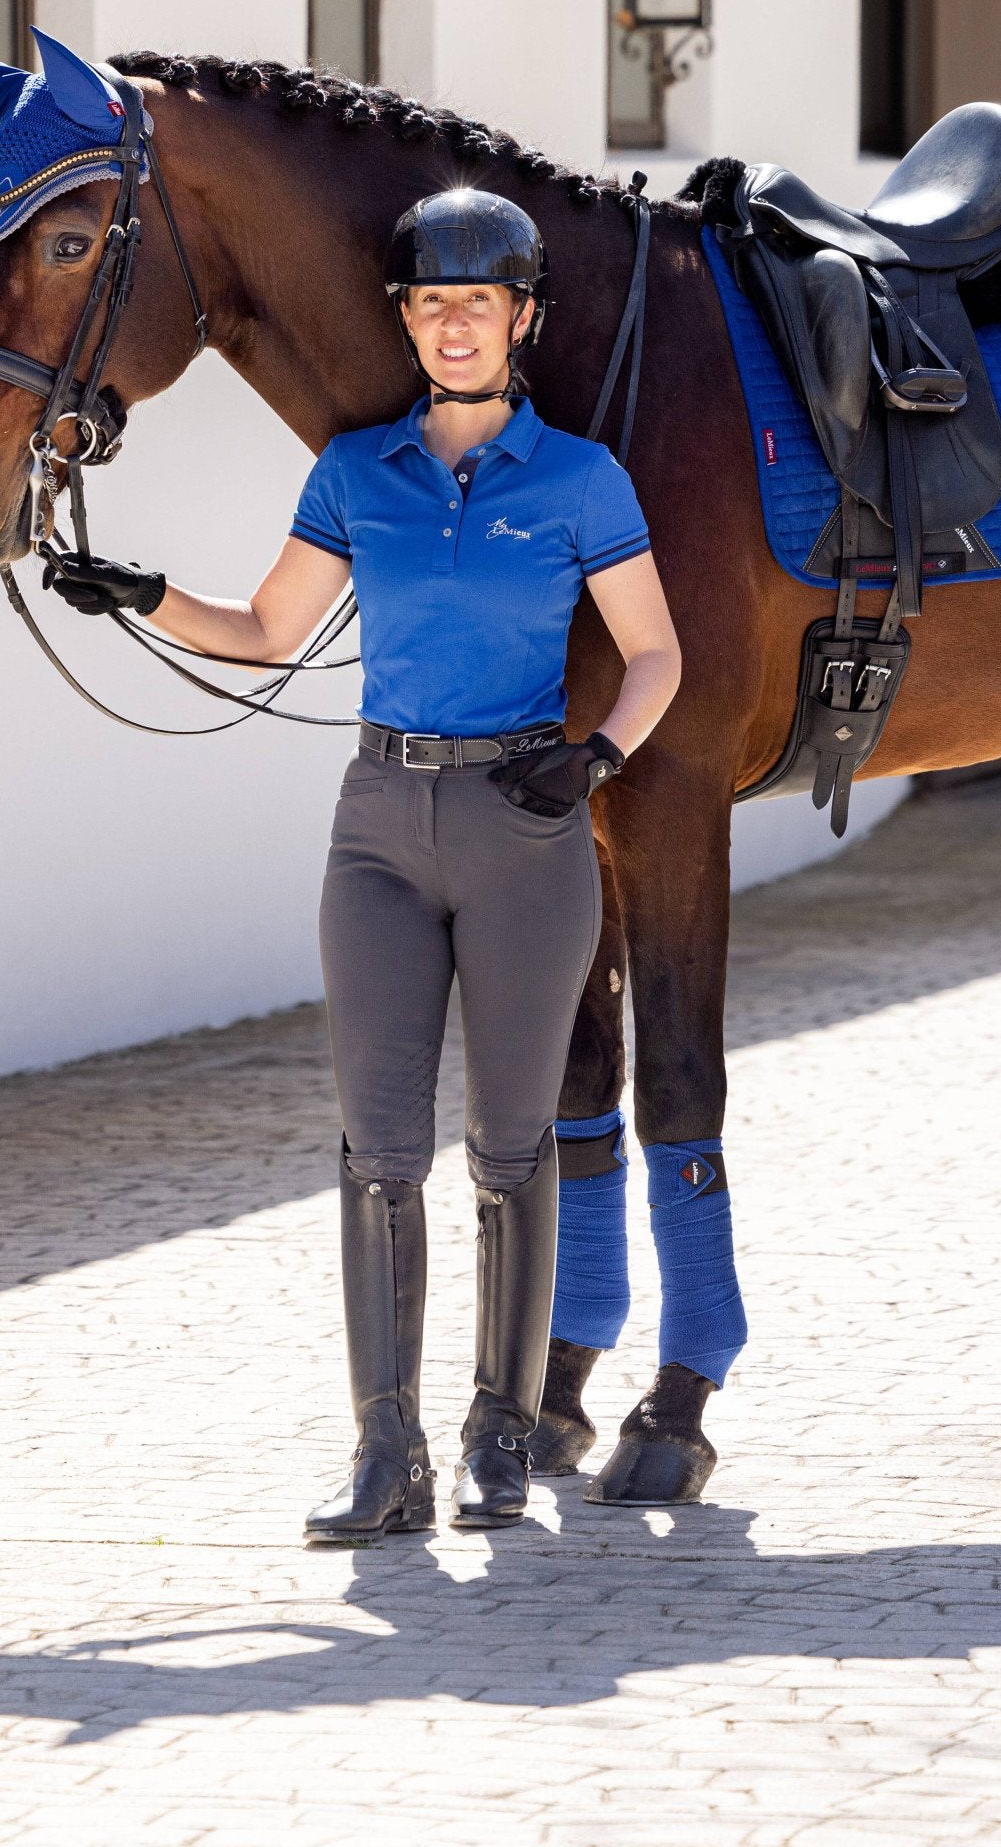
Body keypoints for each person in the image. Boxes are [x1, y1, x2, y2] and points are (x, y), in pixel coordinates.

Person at [47, 191, 682, 1540]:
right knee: (377, 1152)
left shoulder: (580, 481)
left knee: (511, 1149)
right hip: (380, 829)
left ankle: (499, 1438)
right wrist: (142, 594)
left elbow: (658, 653)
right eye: (429, 304)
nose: (454, 325)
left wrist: (603, 757)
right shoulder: (354, 470)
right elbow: (272, 629)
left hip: (529, 826)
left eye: (479, 304)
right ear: (405, 321)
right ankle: (384, 1458)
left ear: (521, 321)